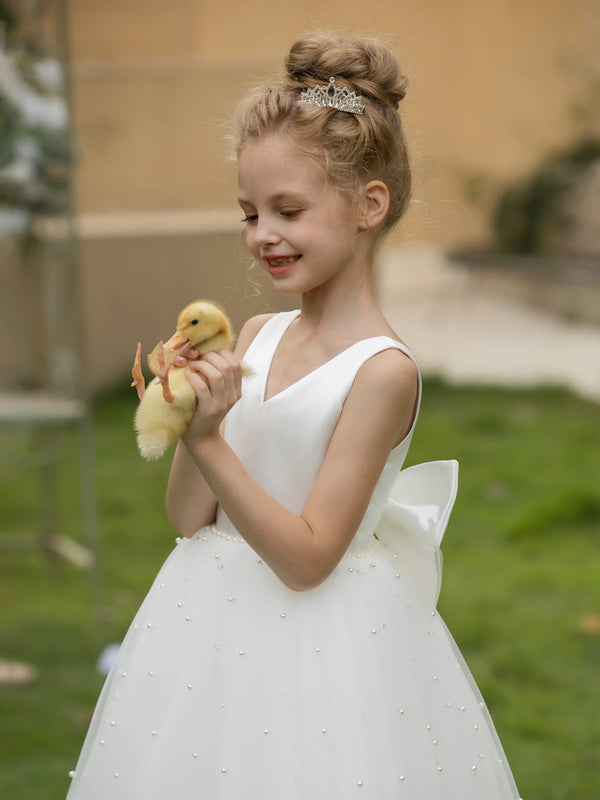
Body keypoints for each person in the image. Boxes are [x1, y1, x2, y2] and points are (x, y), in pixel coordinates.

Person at [66, 32, 522, 800]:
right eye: (249, 213)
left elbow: (309, 561)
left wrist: (210, 439)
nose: (262, 235)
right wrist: (189, 416)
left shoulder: (382, 371)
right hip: (206, 626)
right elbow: (188, 520)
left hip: (322, 643)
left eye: (287, 210)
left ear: (367, 205)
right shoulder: (257, 336)